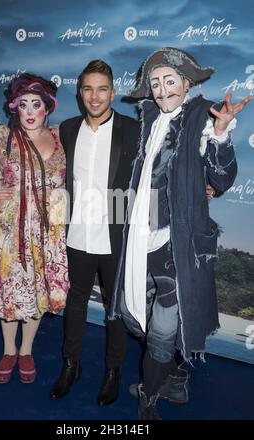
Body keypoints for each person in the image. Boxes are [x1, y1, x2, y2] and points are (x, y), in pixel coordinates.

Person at [108, 47, 251, 419]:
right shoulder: (149, 120)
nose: (162, 90)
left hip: (178, 242)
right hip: (141, 237)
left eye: (170, 81)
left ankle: (149, 399)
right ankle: (171, 376)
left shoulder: (203, 116)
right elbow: (143, 182)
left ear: (186, 83)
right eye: (155, 84)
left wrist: (220, 135)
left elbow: (222, 177)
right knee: (130, 314)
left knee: (163, 327)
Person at [0, 73, 69, 384]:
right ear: (14, 108)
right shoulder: (2, 137)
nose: (30, 112)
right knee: (9, 294)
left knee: (35, 292)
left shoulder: (62, 137)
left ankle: (27, 350)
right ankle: (8, 349)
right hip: (6, 232)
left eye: (36, 104)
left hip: (46, 232)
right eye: (23, 105)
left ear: (48, 107)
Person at [49, 60, 140, 406]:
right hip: (78, 234)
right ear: (80, 92)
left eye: (102, 89)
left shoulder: (133, 130)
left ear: (113, 92)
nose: (95, 96)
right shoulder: (68, 129)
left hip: (115, 234)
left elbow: (158, 171)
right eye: (88, 88)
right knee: (76, 303)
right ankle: (71, 366)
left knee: (113, 309)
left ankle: (112, 371)